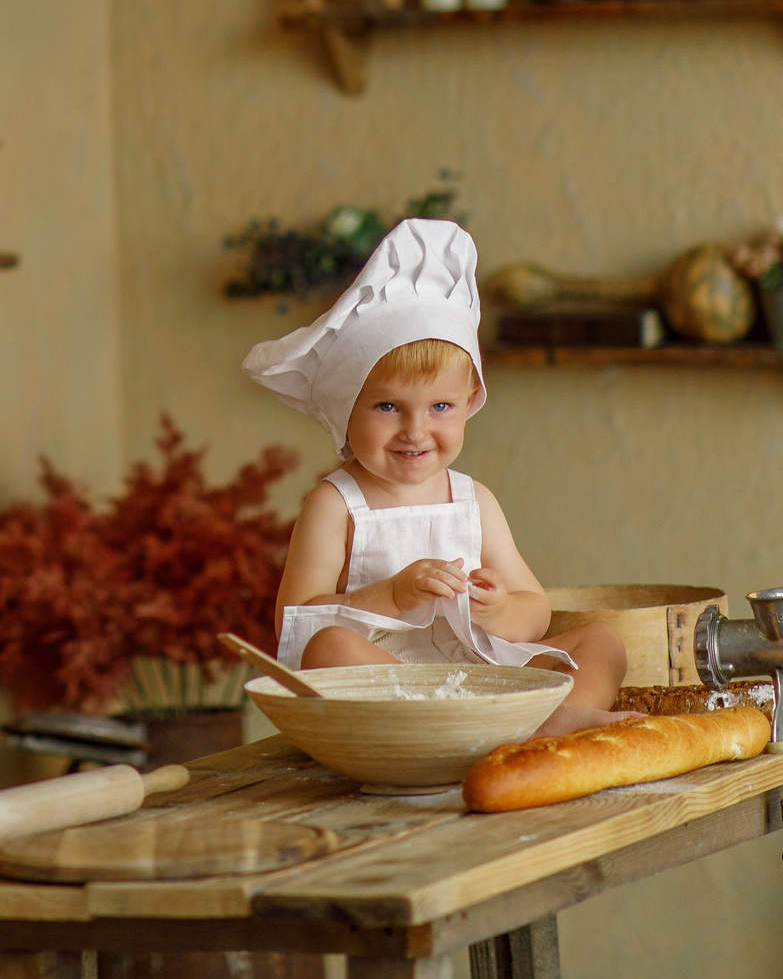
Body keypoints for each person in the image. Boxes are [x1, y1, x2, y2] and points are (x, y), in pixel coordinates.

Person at [243, 217, 631, 737]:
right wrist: (393, 595)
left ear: (469, 401)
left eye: (440, 406)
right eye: (387, 406)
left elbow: (534, 610)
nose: (415, 431)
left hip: (479, 674)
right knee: (326, 650)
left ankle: (549, 723)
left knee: (601, 641)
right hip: (388, 682)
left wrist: (496, 610)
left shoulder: (473, 501)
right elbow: (296, 620)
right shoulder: (336, 504)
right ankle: (453, 725)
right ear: (346, 408)